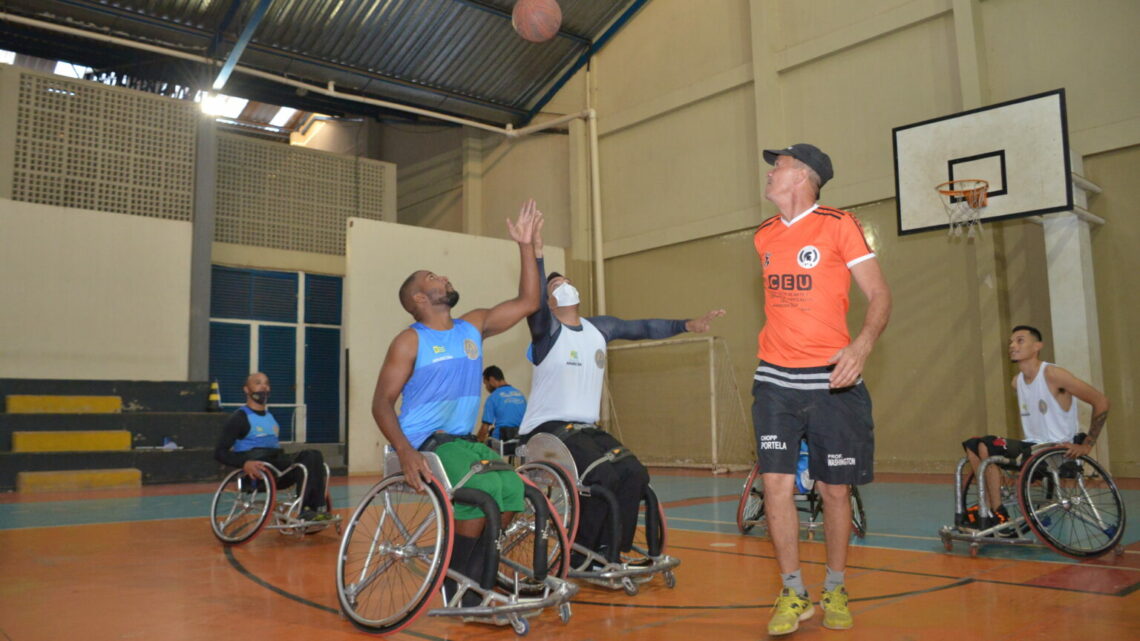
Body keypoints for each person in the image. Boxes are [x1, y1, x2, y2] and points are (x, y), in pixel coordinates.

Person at [370, 199, 542, 605]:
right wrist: (405, 451)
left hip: (463, 441)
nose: (443, 277)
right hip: (426, 443)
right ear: (418, 297)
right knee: (481, 490)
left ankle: (479, 568)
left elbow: (529, 302)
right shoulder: (410, 340)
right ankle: (460, 587)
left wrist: (526, 246)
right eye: (433, 277)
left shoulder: (474, 325)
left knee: (514, 489)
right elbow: (381, 402)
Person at [518, 233, 724, 565]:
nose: (565, 286)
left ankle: (611, 546)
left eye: (568, 282)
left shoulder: (600, 328)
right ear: (548, 301)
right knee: (603, 476)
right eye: (555, 286)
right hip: (546, 430)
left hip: (584, 429)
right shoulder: (547, 332)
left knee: (634, 473)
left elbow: (643, 327)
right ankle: (581, 553)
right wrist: (537, 256)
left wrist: (687, 324)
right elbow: (534, 303)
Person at [753, 143, 891, 635]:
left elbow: (879, 293)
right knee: (776, 485)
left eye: (780, 165)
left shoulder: (838, 224)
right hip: (774, 379)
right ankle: (792, 591)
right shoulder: (763, 236)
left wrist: (862, 346)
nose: (771, 172)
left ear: (804, 176)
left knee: (835, 490)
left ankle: (835, 585)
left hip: (831, 380)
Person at [960, 325, 1110, 531]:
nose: (1012, 345)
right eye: (1011, 342)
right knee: (973, 445)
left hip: (1055, 450)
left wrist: (1086, 445)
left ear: (1037, 346)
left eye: (1020, 340)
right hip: (1034, 449)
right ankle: (987, 509)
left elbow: (1101, 401)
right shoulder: (1017, 382)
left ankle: (998, 514)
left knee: (986, 444)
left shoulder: (1054, 375)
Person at [214, 372, 330, 521]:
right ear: (246, 389)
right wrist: (244, 463)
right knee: (309, 456)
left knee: (313, 455)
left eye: (266, 383)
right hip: (258, 472)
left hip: (277, 468)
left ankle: (313, 509)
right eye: (258, 383)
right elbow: (219, 453)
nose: (264, 386)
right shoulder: (239, 417)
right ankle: (307, 510)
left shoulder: (271, 418)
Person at [477, 365, 527, 452]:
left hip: (502, 443)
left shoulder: (493, 397)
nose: (486, 388)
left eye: (486, 384)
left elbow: (485, 428)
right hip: (520, 442)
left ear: (491, 380)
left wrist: (476, 442)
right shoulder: (520, 395)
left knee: (483, 444)